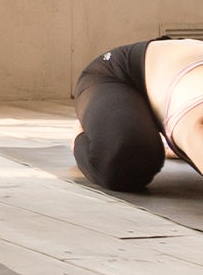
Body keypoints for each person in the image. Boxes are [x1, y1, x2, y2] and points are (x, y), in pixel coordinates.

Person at [72, 38, 203, 192]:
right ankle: (80, 133)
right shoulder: (194, 122)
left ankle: (171, 142)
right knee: (125, 161)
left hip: (177, 70)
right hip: (117, 72)